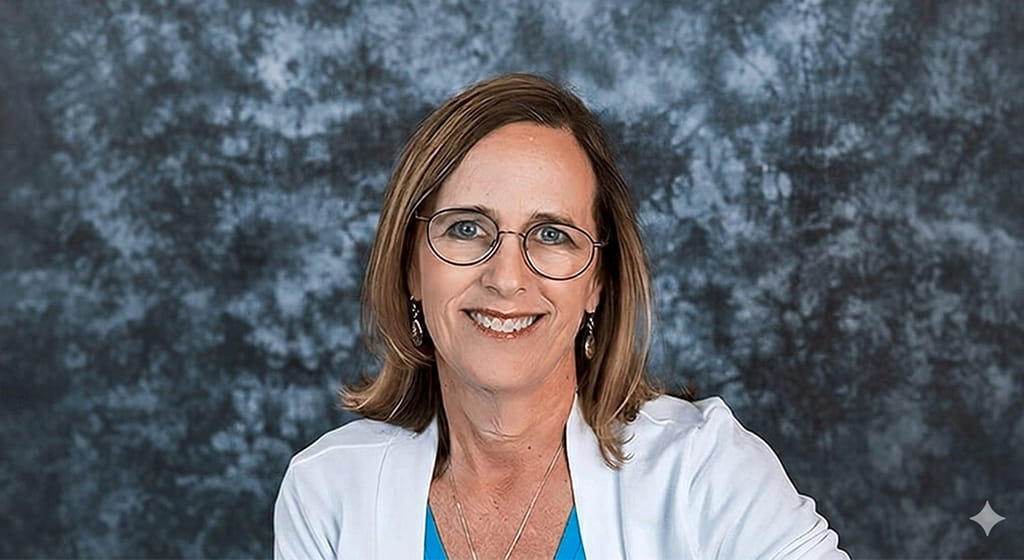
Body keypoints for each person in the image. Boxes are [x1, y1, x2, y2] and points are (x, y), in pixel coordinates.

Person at [274, 73, 850, 560]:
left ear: (597, 282)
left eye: (552, 235)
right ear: (410, 268)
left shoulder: (705, 471)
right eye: (467, 228)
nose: (505, 277)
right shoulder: (329, 491)